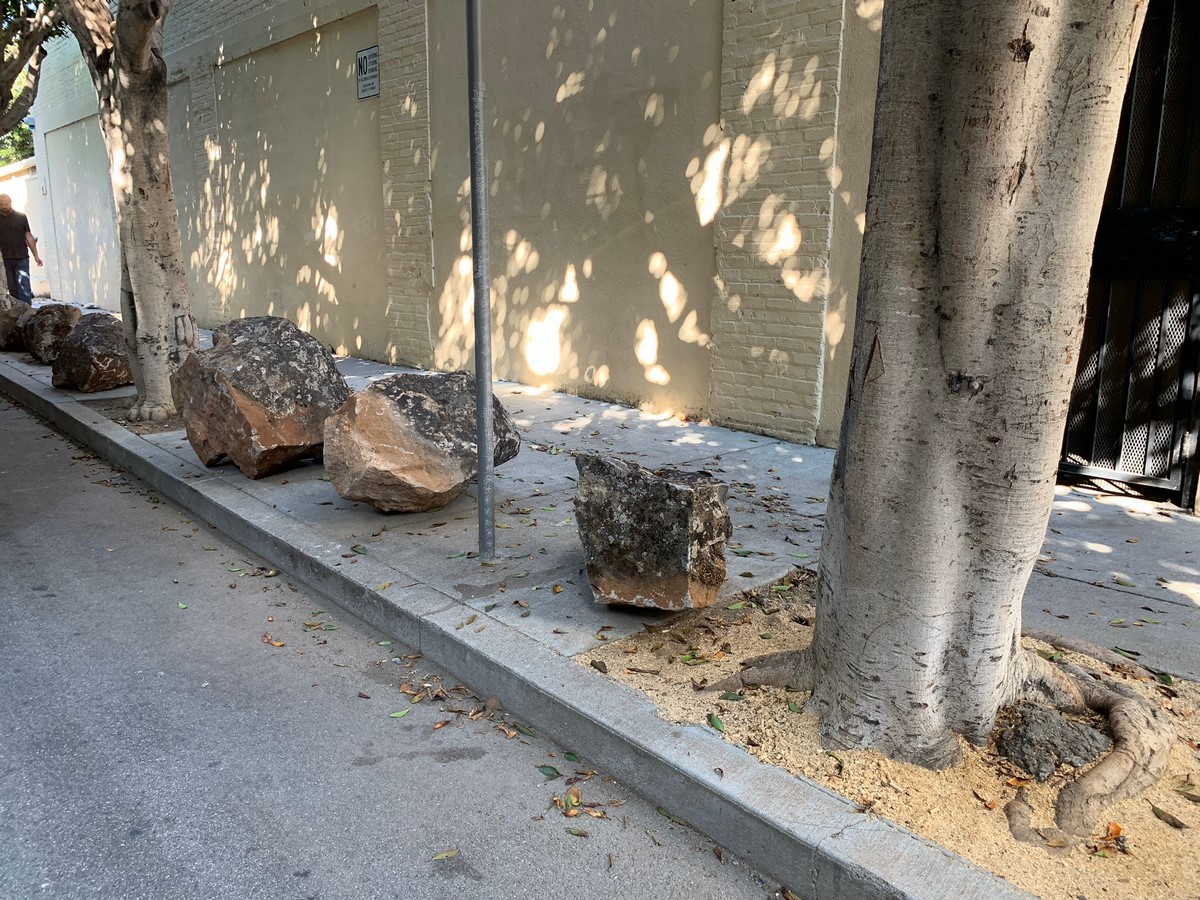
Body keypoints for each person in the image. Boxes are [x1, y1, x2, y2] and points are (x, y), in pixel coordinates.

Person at [0, 193, 42, 305]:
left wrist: (36, 256)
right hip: (5, 259)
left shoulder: (21, 217)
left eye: (6, 204)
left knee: (24, 286)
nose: (4, 206)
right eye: (1, 204)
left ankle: (27, 310)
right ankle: (18, 310)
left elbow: (28, 236)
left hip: (21, 257)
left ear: (11, 203)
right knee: (12, 287)